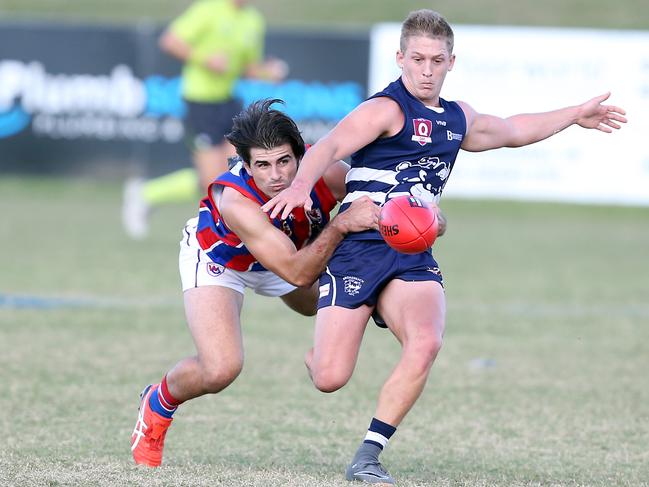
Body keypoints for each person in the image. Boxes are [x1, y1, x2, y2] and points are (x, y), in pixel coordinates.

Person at [261, 9, 627, 485]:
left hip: (413, 251)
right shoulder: (385, 110)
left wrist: (575, 115)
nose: (427, 70)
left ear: (452, 62)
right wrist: (298, 187)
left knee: (426, 341)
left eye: (437, 60)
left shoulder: (457, 119)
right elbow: (328, 146)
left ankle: (368, 455)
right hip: (359, 247)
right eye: (417, 59)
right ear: (400, 59)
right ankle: (324, 340)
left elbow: (513, 130)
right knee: (330, 377)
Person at [130, 98, 383, 467]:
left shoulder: (325, 174)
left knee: (328, 301)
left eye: (284, 161)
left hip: (288, 252)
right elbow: (297, 273)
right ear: (245, 165)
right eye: (261, 165)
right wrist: (341, 224)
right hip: (221, 259)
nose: (275, 175)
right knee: (220, 369)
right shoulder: (236, 201)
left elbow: (377, 198)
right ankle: (158, 401)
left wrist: (416, 216)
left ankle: (325, 356)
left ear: (302, 155)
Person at [122, 0, 288, 239]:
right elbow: (170, 40)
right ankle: (148, 195)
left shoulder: (253, 20)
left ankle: (148, 194)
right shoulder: (209, 9)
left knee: (235, 174)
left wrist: (267, 73)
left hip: (229, 102)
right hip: (200, 103)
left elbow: (246, 67)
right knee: (213, 181)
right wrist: (205, 58)